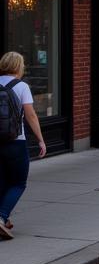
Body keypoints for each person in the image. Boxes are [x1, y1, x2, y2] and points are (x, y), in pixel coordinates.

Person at [0, 51, 46, 239]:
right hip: (15, 141)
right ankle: (1, 216)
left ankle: (5, 218)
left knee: (2, 181)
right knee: (19, 182)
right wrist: (41, 139)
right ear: (19, 66)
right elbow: (31, 115)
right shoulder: (22, 86)